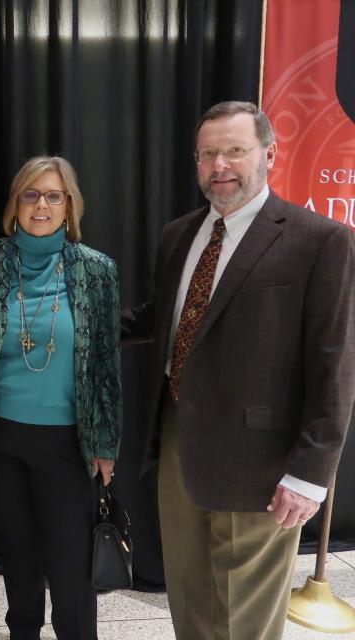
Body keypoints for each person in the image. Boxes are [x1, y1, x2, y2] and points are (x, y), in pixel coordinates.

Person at [122, 101, 355, 639]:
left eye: (234, 150)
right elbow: (165, 319)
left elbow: (335, 365)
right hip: (179, 441)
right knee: (190, 595)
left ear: (268, 154)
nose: (219, 165)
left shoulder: (319, 241)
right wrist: (77, 322)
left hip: (263, 462)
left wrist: (310, 474)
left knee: (245, 616)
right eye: (207, 154)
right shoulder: (179, 235)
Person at [0, 156, 121, 640]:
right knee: (18, 554)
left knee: (71, 564)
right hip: (1, 437)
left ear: (70, 206)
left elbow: (108, 363)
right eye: (31, 194)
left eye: (53, 195)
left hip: (69, 443)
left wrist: (107, 442)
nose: (41, 205)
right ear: (15, 204)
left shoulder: (97, 270)